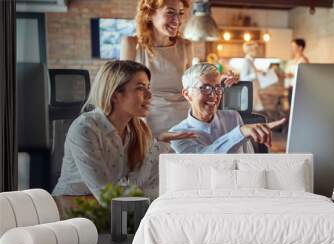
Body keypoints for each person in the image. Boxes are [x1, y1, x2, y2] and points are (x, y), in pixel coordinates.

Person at [52, 60, 196, 207]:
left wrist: (161, 142)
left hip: (112, 207)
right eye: (140, 88)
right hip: (75, 209)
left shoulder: (138, 129)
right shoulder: (85, 128)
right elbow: (105, 195)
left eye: (148, 87)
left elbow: (138, 181)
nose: (149, 95)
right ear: (115, 94)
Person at [120, 0, 237, 137]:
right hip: (147, 126)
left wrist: (220, 78)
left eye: (180, 13)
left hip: (186, 124)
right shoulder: (131, 45)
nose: (177, 20)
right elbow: (125, 93)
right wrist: (139, 131)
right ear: (149, 13)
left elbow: (194, 81)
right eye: (170, 12)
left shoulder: (185, 45)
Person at [169, 63, 286, 154]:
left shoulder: (233, 117)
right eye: (205, 88)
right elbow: (203, 160)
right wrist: (240, 133)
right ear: (187, 94)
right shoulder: (177, 134)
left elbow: (248, 159)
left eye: (217, 88)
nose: (214, 95)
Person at [284, 38, 309, 106]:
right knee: (290, 106)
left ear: (300, 47)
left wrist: (292, 75)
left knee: (295, 107)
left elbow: (305, 76)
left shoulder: (303, 60)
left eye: (293, 46)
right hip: (291, 87)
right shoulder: (292, 60)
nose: (292, 48)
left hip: (298, 89)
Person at [240, 41, 264, 112]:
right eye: (256, 49)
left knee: (257, 111)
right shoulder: (246, 62)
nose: (257, 51)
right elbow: (243, 78)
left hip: (253, 91)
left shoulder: (251, 62)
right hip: (249, 92)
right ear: (250, 51)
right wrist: (256, 74)